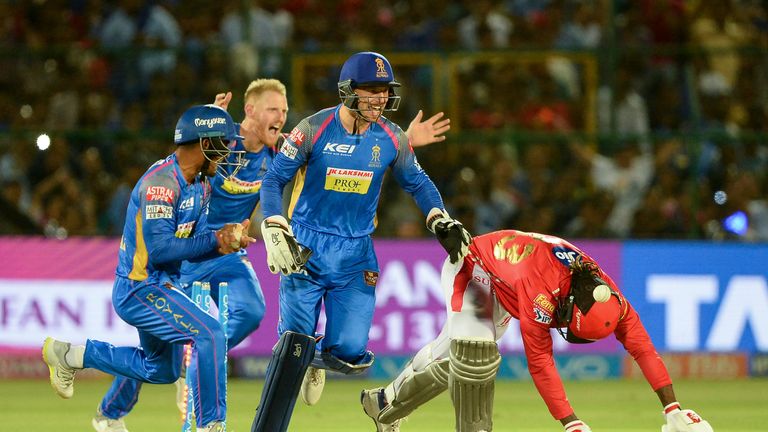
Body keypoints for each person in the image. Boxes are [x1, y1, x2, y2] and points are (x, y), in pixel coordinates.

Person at [88, 79, 453, 430]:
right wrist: (206, 135)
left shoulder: (279, 151)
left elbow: (334, 154)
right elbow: (174, 174)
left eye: (285, 109)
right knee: (161, 346)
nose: (281, 116)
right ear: (249, 110)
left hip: (229, 252)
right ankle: (111, 410)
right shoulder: (220, 146)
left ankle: (202, 364)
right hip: (191, 249)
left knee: (251, 311)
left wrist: (405, 142)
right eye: (273, 109)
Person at [252, 51, 471, 431]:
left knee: (353, 355)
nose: (380, 99)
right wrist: (274, 224)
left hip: (355, 254)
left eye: (384, 91)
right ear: (347, 90)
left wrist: (440, 219)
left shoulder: (390, 137)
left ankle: (313, 363)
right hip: (305, 248)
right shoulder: (313, 128)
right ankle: (299, 367)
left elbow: (417, 182)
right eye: (371, 91)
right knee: (293, 346)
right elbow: (273, 179)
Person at [360, 229, 715, 432]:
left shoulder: (611, 298)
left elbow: (643, 348)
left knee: (452, 351)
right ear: (569, 304)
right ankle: (389, 407)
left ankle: (382, 402)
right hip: (474, 266)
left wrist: (673, 409)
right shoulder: (541, 294)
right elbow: (541, 362)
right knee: (472, 357)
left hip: (506, 281)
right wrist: (570, 423)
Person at [42, 104, 253, 432]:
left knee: (162, 370)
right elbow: (161, 249)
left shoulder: (201, 184)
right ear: (203, 144)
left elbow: (188, 247)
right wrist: (217, 241)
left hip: (162, 284)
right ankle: (213, 425)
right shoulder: (161, 185)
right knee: (210, 333)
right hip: (139, 287)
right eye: (222, 144)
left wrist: (228, 241)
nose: (227, 153)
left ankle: (70, 355)